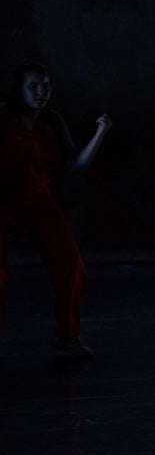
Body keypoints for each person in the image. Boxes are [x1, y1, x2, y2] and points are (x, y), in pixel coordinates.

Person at [0, 61, 112, 359]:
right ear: (19, 89)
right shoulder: (5, 116)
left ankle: (68, 337)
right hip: (2, 198)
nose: (41, 92)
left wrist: (100, 132)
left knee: (71, 265)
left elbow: (76, 163)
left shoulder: (52, 121)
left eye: (45, 86)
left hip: (37, 197)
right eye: (33, 87)